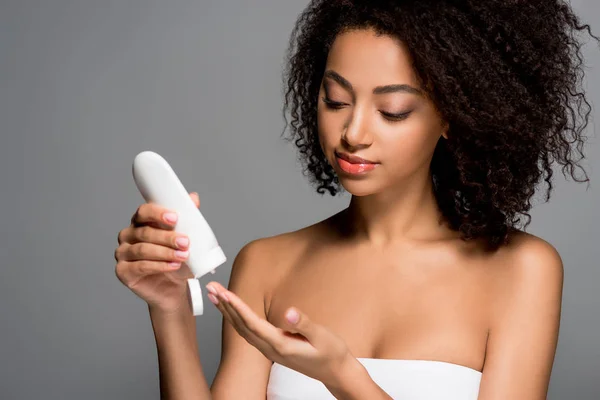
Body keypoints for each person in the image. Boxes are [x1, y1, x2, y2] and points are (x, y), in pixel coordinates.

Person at [114, 1, 599, 399]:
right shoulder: (266, 264)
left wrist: (343, 377)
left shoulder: (521, 270)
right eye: (336, 101)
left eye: (393, 111)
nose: (353, 133)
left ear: (452, 115)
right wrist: (170, 307)